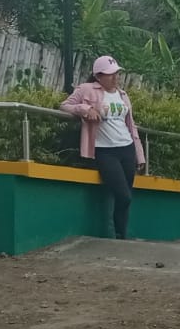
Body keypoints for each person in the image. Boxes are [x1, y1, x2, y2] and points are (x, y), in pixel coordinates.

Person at [60, 55, 145, 241]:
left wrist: (139, 154)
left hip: (126, 148)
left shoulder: (122, 95)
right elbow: (65, 105)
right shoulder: (87, 89)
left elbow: (131, 125)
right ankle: (119, 234)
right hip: (105, 151)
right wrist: (86, 109)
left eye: (117, 73)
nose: (115, 78)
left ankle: (121, 235)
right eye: (110, 74)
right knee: (123, 196)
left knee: (126, 196)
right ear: (98, 76)